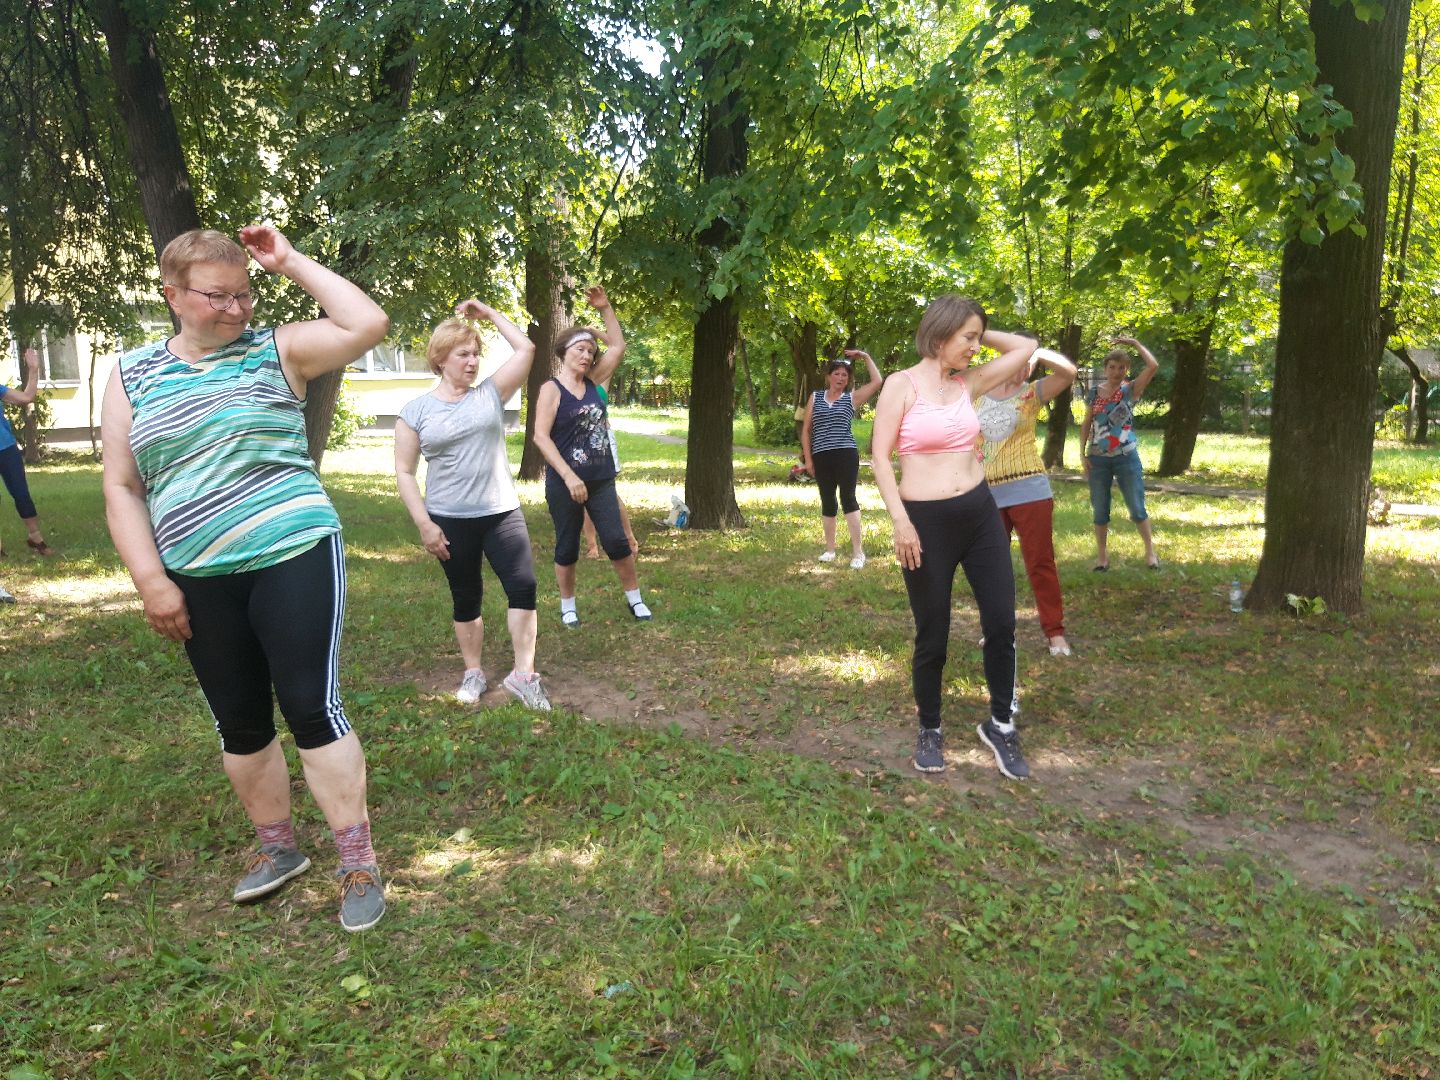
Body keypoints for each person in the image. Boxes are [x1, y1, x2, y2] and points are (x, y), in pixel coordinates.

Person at [101, 225, 391, 932]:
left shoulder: (279, 349)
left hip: (291, 549)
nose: (236, 310)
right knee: (238, 720)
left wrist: (288, 262)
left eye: (244, 295)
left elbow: (367, 323)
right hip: (194, 571)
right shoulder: (129, 373)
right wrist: (151, 581)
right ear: (172, 295)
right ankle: (278, 851)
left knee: (309, 704)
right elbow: (121, 485)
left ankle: (358, 861)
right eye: (216, 297)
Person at [871, 295, 1038, 779]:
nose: (974, 348)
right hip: (924, 523)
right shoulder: (900, 386)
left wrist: (976, 330)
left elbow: (1027, 347)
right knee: (933, 630)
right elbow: (881, 458)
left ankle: (1001, 725)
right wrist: (901, 522)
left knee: (1002, 621)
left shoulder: (970, 381)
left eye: (977, 339)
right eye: (965, 338)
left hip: (980, 514)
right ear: (940, 334)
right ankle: (930, 727)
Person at [394, 300, 551, 711]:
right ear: (440, 358)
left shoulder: (490, 394)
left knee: (524, 587)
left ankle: (522, 675)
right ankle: (474, 672)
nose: (472, 361)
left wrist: (490, 315)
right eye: (463, 354)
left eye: (476, 353)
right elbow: (405, 473)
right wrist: (425, 524)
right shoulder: (416, 412)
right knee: (466, 596)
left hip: (501, 512)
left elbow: (527, 351)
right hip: (449, 518)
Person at [532, 285, 651, 626]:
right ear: (563, 352)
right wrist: (569, 477)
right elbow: (541, 436)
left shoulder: (596, 382)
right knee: (567, 545)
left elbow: (618, 345)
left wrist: (604, 310)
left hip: (600, 478)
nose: (586, 356)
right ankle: (568, 605)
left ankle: (635, 600)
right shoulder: (551, 390)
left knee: (616, 540)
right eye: (579, 349)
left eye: (589, 351)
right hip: (565, 482)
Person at [976, 346, 1078, 656]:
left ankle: (1054, 632)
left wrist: (1037, 351)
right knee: (992, 567)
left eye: (1027, 364)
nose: (1023, 369)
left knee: (1040, 563)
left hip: (1030, 491)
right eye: (1016, 361)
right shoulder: (976, 393)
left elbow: (1069, 373)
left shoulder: (1031, 394)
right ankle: (997, 630)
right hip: (987, 494)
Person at [1080, 336, 1160, 571]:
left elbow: (1153, 366)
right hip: (1097, 459)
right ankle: (1102, 558)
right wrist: (1082, 454)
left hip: (1126, 457)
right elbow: (1087, 424)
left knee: (1137, 507)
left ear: (1127, 370)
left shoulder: (1130, 390)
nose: (1116, 372)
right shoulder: (1094, 393)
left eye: (1121, 367)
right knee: (1100, 508)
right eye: (1112, 367)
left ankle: (1150, 553)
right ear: (1105, 368)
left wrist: (1135, 343)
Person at [799, 350, 884, 568]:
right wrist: (808, 460)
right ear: (828, 377)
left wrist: (865, 357)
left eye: (844, 375)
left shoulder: (851, 398)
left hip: (846, 454)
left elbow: (877, 381)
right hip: (821, 455)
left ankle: (858, 553)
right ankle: (830, 550)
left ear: (848, 380)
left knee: (848, 498)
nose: (840, 378)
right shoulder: (815, 397)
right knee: (827, 500)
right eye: (836, 374)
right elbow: (806, 430)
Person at [0, 347, 58, 558]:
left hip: (6, 449)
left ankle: (36, 538)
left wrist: (34, 369)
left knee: (21, 494)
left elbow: (26, 398)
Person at [580, 376, 638, 559]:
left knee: (609, 492)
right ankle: (592, 546)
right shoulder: (568, 384)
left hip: (602, 440)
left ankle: (630, 539)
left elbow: (615, 351)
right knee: (583, 494)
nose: (585, 357)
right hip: (579, 443)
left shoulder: (600, 381)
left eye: (590, 352)